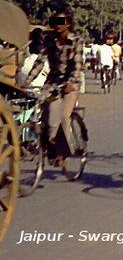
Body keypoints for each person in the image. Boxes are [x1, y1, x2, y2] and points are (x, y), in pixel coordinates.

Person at [21, 9, 84, 167]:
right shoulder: (49, 40)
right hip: (53, 82)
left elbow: (77, 66)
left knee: (63, 117)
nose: (57, 26)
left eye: (60, 22)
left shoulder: (76, 40)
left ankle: (64, 152)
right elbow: (40, 62)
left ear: (68, 23)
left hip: (71, 83)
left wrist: (71, 82)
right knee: (46, 115)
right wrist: (27, 82)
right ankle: (48, 145)